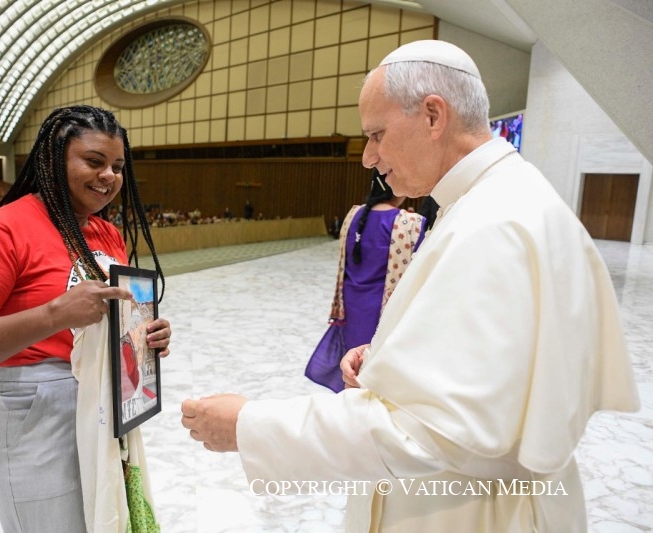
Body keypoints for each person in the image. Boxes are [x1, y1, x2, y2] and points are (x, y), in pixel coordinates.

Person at [181, 40, 639, 532]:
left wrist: (249, 425)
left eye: (376, 134)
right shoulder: (495, 200)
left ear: (433, 115)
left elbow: (430, 432)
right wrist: (388, 363)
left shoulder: (493, 224)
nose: (368, 158)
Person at [0, 105, 171, 533]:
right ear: (52, 160)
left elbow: (106, 317)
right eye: (94, 162)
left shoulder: (104, 232)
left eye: (117, 166)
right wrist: (54, 314)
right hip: (38, 410)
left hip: (105, 400)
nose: (109, 176)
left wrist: (142, 334)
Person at [305, 169, 426, 392]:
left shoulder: (354, 216)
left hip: (352, 302)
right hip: (381, 308)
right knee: (374, 363)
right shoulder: (409, 222)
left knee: (352, 363)